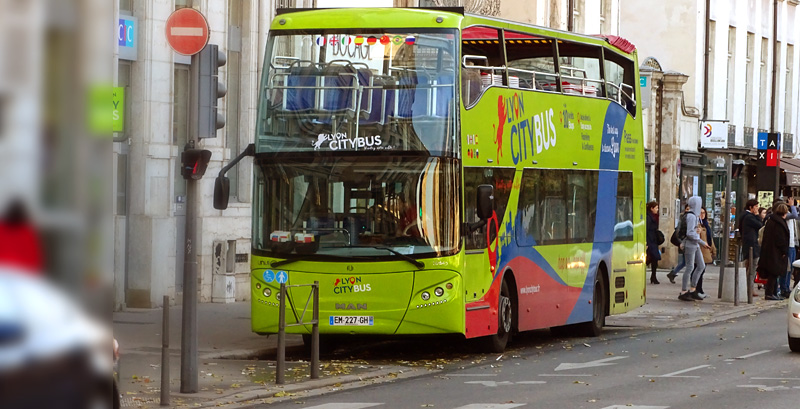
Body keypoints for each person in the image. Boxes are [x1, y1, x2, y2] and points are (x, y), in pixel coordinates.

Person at [678, 196, 711, 301]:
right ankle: (684, 291)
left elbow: (692, 231)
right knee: (690, 267)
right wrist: (701, 242)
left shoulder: (693, 216)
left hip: (694, 244)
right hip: (691, 244)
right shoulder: (692, 216)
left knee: (700, 266)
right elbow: (690, 233)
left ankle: (693, 289)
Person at [758, 203, 790, 300]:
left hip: (769, 250)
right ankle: (770, 293)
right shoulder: (779, 223)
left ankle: (773, 292)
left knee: (773, 273)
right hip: (776, 252)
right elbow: (780, 239)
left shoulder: (771, 221)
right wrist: (784, 251)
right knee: (774, 273)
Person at [739, 199, 762, 288]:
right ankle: (749, 287)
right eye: (756, 207)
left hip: (749, 243)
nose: (757, 208)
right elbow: (760, 225)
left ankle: (748, 286)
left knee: (750, 266)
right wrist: (757, 215)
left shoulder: (745, 215)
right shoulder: (749, 217)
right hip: (751, 244)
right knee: (752, 266)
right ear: (751, 207)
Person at [667, 204, 691, 284]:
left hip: (684, 242)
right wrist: (681, 242)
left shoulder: (688, 218)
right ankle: (674, 274)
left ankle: (673, 273)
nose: (688, 211)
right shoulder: (684, 219)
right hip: (684, 242)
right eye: (687, 209)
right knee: (688, 263)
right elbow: (680, 231)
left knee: (685, 262)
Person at [695, 207, 716, 298]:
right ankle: (696, 289)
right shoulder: (697, 225)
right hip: (700, 250)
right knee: (698, 270)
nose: (702, 214)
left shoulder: (706, 224)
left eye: (703, 213)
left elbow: (709, 238)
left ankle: (699, 289)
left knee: (702, 271)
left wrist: (713, 249)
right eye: (700, 213)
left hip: (706, 250)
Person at [646, 201, 662, 284]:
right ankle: (653, 276)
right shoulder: (648, 217)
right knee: (650, 258)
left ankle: (653, 276)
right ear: (651, 208)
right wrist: (646, 243)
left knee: (654, 259)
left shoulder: (654, 216)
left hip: (653, 240)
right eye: (656, 208)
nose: (657, 209)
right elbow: (646, 230)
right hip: (650, 240)